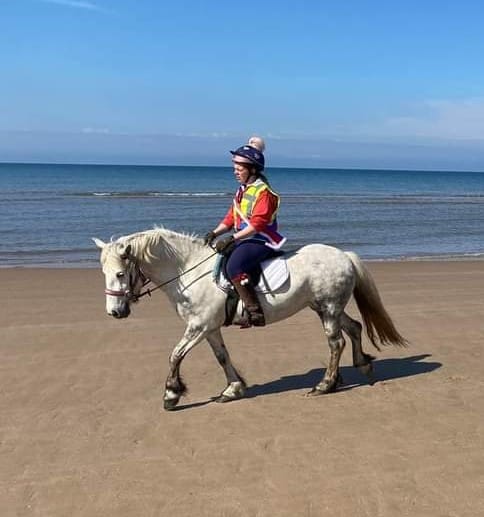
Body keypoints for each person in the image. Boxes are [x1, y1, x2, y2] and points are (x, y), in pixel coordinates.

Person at [204, 136, 286, 328]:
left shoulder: (263, 193)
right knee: (221, 258)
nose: (235, 172)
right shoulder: (243, 190)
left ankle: (254, 311)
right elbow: (231, 218)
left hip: (261, 240)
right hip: (245, 238)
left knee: (234, 267)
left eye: (239, 169)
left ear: (253, 170)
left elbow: (257, 224)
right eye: (234, 168)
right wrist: (215, 233)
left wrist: (232, 238)